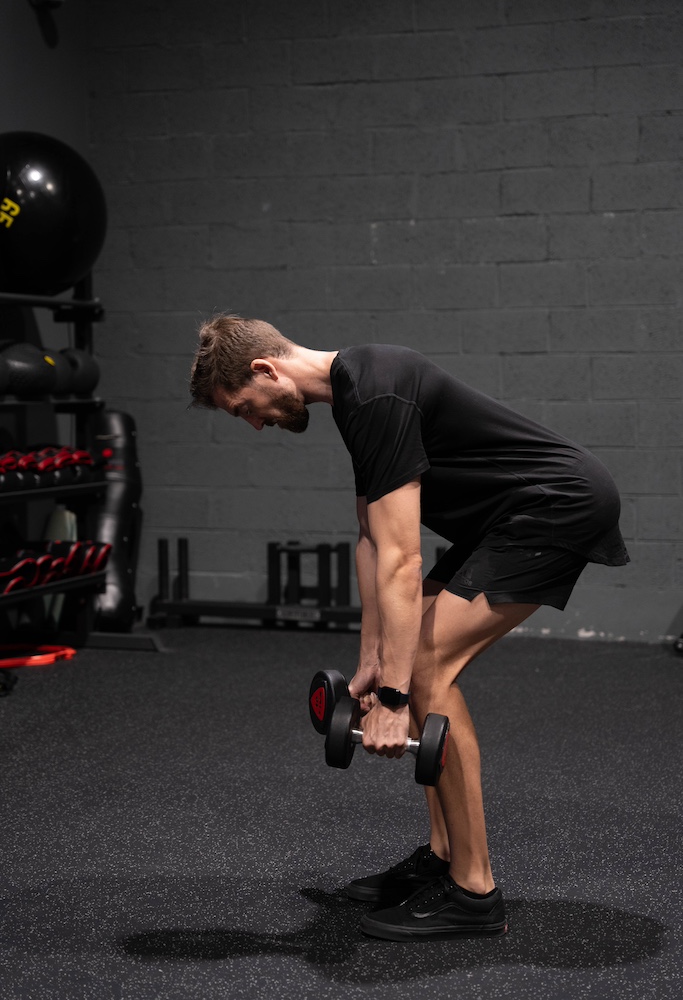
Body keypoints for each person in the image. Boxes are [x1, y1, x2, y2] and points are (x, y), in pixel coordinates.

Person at [190, 314, 629, 941]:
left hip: (552, 506)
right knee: (407, 658)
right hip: (504, 516)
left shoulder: (376, 389)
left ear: (265, 370)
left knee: (423, 669)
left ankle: (474, 891)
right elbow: (371, 539)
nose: (255, 423)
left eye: (244, 409)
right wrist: (372, 658)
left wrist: (393, 698)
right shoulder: (355, 394)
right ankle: (444, 854)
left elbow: (403, 558)